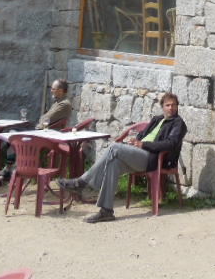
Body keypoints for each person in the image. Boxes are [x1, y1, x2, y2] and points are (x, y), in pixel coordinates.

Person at [58, 92, 187, 223]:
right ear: (162, 107)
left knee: (114, 147)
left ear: (177, 106)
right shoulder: (157, 119)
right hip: (139, 153)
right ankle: (106, 211)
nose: (171, 108)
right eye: (168, 105)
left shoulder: (178, 124)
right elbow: (142, 134)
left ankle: (82, 182)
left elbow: (170, 144)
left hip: (154, 159)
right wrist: (135, 141)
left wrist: (144, 144)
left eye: (174, 105)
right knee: (113, 163)